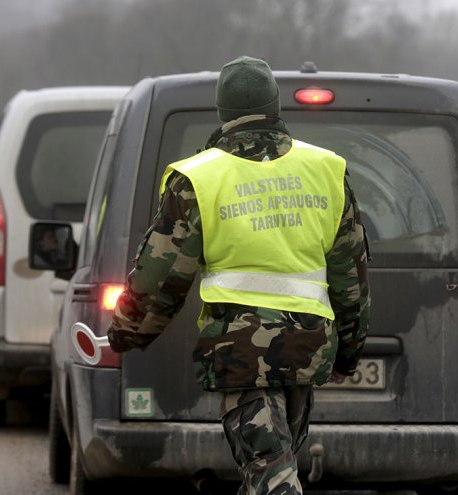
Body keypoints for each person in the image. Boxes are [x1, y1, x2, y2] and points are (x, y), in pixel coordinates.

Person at [106, 56, 371, 495]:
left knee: (271, 474)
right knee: (270, 468)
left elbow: (160, 281)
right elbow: (351, 278)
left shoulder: (198, 178)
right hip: (307, 350)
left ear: (223, 113)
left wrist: (124, 335)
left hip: (241, 351)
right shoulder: (326, 171)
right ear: (275, 106)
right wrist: (347, 352)